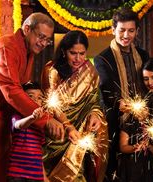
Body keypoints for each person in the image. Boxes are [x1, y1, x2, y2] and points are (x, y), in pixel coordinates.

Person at [0, 13, 64, 181]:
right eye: (41, 37)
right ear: (27, 29)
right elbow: (12, 92)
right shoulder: (6, 47)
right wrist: (45, 119)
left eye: (47, 40)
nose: (43, 43)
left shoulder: (26, 50)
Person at [41, 30, 109, 182]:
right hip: (57, 133)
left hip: (80, 133)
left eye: (82, 53)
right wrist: (68, 126)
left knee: (77, 173)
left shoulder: (90, 71)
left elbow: (94, 102)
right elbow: (51, 104)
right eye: (73, 53)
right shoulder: (51, 70)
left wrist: (95, 114)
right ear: (64, 51)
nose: (78, 58)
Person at [93, 8, 149, 181]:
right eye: (122, 30)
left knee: (142, 168)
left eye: (131, 31)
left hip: (142, 120)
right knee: (115, 171)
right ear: (113, 30)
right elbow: (106, 88)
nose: (126, 35)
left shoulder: (143, 55)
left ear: (137, 31)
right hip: (116, 121)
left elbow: (150, 83)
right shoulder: (102, 59)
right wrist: (122, 104)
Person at [7, 82, 49, 182]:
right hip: (17, 174)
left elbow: (38, 153)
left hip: (36, 176)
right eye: (30, 96)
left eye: (40, 98)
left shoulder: (40, 126)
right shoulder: (17, 116)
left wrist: (44, 176)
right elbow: (19, 125)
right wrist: (32, 117)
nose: (35, 100)